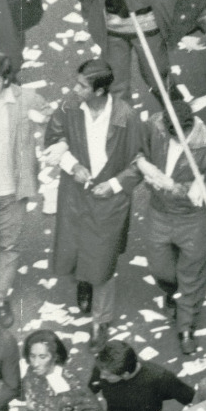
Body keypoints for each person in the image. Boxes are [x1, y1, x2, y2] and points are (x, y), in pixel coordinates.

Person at [44, 59, 145, 351]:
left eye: (82, 86)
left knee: (102, 260)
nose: (75, 90)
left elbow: (138, 161)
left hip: (109, 198)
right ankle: (83, 283)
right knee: (76, 247)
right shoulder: (70, 106)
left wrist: (113, 185)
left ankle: (101, 321)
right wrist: (72, 164)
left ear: (100, 91)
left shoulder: (126, 116)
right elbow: (53, 138)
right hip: (75, 192)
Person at [136, 99, 206, 355]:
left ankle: (186, 326)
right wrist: (145, 164)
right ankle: (173, 291)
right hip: (159, 211)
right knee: (160, 268)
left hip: (191, 217)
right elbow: (137, 148)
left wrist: (180, 188)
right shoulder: (155, 124)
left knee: (192, 273)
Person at [0, 52, 46, 328]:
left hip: (12, 191)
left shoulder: (25, 99)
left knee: (9, 245)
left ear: (6, 80)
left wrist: (53, 143)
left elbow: (56, 120)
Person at [76, 0, 171, 102]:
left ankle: (176, 120)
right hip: (113, 29)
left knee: (158, 80)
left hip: (148, 24)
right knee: (116, 86)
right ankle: (123, 126)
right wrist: (91, 15)